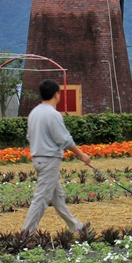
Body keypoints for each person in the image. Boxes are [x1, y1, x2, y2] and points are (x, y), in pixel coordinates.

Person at [21, 79, 91, 235]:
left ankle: (77, 227)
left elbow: (30, 136)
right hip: (49, 160)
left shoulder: (34, 112)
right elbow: (64, 139)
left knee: (57, 197)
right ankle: (26, 233)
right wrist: (81, 155)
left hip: (37, 158)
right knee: (41, 198)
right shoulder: (53, 114)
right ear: (56, 95)